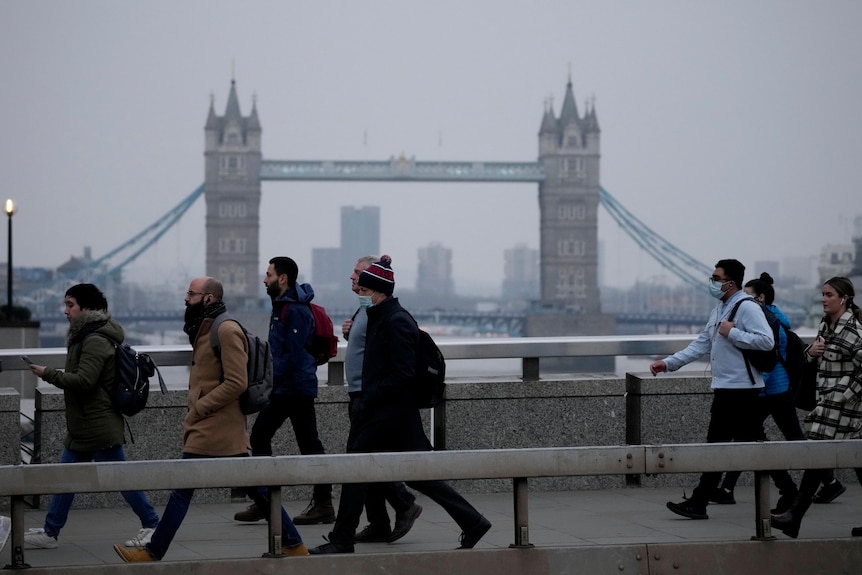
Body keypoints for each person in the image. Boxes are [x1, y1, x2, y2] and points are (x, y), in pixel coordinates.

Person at [114, 277, 307, 561]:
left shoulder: (225, 329)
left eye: (191, 294)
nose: (185, 298)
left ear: (208, 298)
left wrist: (201, 406)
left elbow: (237, 382)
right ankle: (293, 543)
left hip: (215, 426)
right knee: (256, 487)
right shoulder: (205, 327)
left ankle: (153, 552)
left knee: (183, 490)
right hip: (216, 425)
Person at [309, 255, 491, 554]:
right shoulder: (383, 316)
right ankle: (473, 522)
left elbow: (402, 374)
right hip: (389, 412)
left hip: (386, 413)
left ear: (378, 292)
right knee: (420, 476)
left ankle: (342, 539)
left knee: (355, 471)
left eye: (365, 292)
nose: (361, 296)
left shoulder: (396, 320)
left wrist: (370, 396)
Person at [24, 284, 160, 550]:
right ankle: (50, 532)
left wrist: (47, 373)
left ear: (85, 307)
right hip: (83, 424)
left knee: (122, 479)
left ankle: (153, 524)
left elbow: (85, 381)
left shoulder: (95, 339)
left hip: (98, 426)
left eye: (70, 305)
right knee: (67, 480)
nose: (65, 311)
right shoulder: (85, 335)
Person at [649, 259, 774, 520]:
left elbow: (766, 341)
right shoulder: (720, 309)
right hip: (727, 388)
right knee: (745, 445)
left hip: (741, 390)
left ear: (730, 283)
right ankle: (792, 493)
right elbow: (700, 344)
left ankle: (699, 502)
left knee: (720, 446)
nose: (712, 282)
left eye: (716, 278)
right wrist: (668, 363)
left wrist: (734, 333)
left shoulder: (747, 307)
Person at [233, 257, 334, 525]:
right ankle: (267, 501)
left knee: (290, 441)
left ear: (283, 278)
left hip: (294, 389)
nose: (264, 279)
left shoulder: (295, 310)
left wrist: (270, 382)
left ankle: (316, 503)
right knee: (291, 441)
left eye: (268, 275)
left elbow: (292, 353)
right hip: (287, 387)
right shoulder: (282, 306)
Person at [771, 276, 862, 538]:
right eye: (822, 294)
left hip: (843, 406)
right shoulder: (826, 326)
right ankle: (794, 519)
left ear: (844, 298)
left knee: (818, 452)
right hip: (827, 402)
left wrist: (845, 395)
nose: (823, 299)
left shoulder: (853, 331)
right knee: (856, 461)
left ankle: (794, 517)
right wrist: (810, 352)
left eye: (829, 295)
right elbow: (811, 361)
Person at [343, 256, 422, 544]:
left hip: (371, 397)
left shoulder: (386, 314)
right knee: (365, 459)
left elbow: (400, 368)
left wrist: (370, 394)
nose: (352, 278)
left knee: (362, 460)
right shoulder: (366, 309)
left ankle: (401, 505)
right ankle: (379, 521)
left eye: (357, 273)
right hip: (362, 393)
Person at [710, 273, 803, 513]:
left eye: (748, 296)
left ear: (760, 298)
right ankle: (726, 490)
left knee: (776, 438)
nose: (743, 301)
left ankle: (817, 483)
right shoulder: (761, 316)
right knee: (749, 437)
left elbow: (767, 359)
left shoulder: (770, 322)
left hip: (773, 390)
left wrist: (754, 387)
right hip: (764, 391)